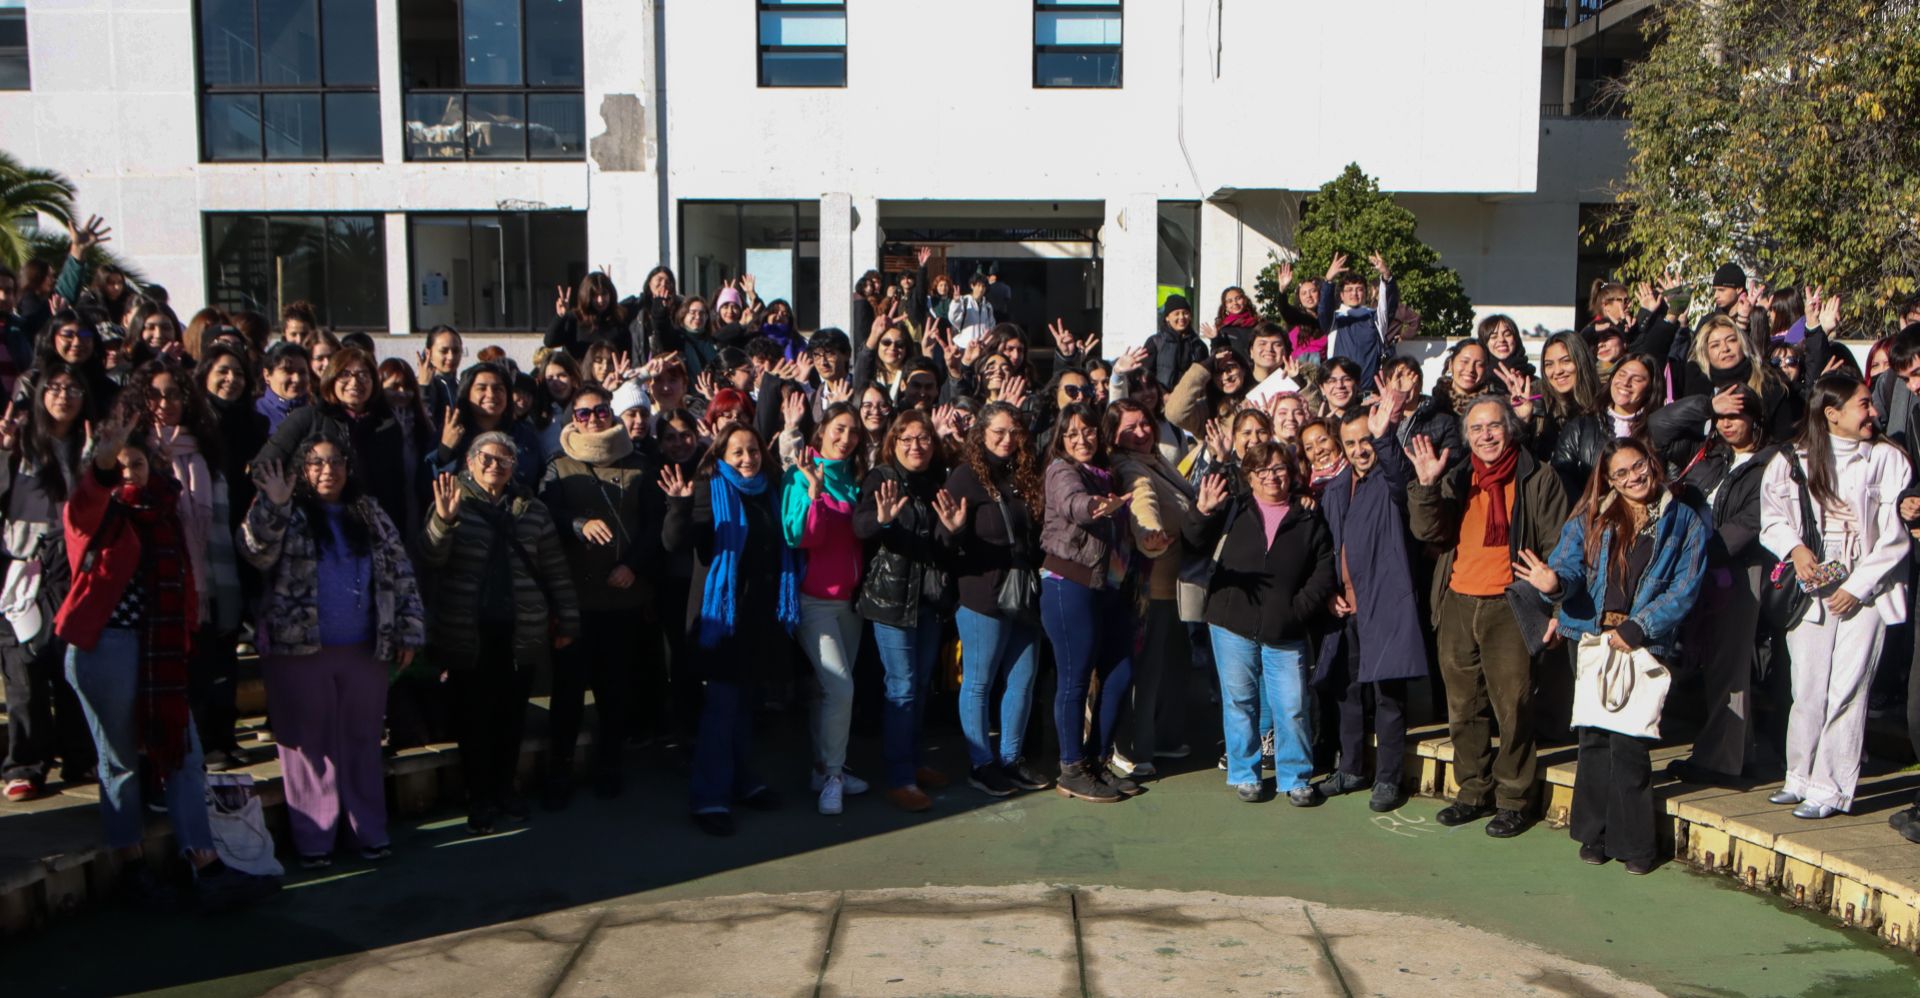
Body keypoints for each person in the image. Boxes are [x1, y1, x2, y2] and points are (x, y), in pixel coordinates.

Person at [56, 420, 278, 909]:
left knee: (184, 754)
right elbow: (83, 504)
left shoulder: (165, 513)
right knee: (120, 763)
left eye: (136, 464)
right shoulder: (95, 515)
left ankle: (205, 862)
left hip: (160, 654)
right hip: (106, 648)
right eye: (120, 467)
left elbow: (184, 586)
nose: (128, 474)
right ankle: (131, 866)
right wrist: (102, 464)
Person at [1518, 437, 1707, 873]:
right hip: (1590, 637)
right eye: (1620, 473)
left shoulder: (1684, 521)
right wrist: (1554, 585)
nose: (1633, 477)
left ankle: (1636, 845)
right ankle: (1595, 834)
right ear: (1609, 480)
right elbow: (1569, 566)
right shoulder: (1591, 516)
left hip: (1641, 640)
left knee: (1630, 743)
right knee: (1594, 739)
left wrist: (1641, 626)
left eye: (1638, 466)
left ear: (1652, 463)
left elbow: (1685, 587)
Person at [240, 439, 425, 866]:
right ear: (302, 470)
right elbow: (255, 552)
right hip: (297, 650)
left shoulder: (370, 512)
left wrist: (409, 631)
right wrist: (275, 504)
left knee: (363, 739)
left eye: (336, 461)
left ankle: (368, 831)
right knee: (307, 747)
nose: (328, 470)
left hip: (364, 648)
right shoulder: (284, 508)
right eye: (316, 463)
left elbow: (401, 571)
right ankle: (314, 840)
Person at [1408, 396, 1571, 837]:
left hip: (1511, 605)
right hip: (1458, 601)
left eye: (1494, 426)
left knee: (1513, 706)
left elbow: (1560, 546)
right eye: (1476, 428)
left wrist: (1558, 605)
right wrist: (1426, 486)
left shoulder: (1538, 477)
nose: (1485, 436)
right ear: (1467, 436)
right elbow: (1428, 530)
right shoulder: (1459, 476)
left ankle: (1514, 799)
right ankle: (1473, 791)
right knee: (1463, 707)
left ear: (1510, 429)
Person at [1760, 373, 1911, 818]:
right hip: (1812, 585)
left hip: (1868, 588)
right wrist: (1795, 548)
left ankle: (1831, 789)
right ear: (1832, 413)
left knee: (1848, 688)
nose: (1874, 413)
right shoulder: (1793, 459)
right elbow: (1772, 515)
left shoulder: (1887, 459)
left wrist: (1857, 587)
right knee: (1807, 686)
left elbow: (1895, 537)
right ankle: (1799, 775)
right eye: (1864, 404)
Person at [423, 432, 580, 834]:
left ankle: (505, 790)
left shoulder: (532, 509)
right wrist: (443, 521)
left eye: (504, 460)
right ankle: (479, 797)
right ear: (471, 461)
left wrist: (568, 618)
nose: (495, 466)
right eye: (487, 458)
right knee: (473, 719)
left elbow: (555, 569)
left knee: (511, 717)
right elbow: (430, 558)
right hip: (468, 631)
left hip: (519, 629)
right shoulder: (453, 499)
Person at [660, 422, 802, 837]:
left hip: (760, 617)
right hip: (722, 618)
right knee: (721, 710)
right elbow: (675, 543)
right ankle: (709, 797)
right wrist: (678, 506)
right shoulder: (709, 489)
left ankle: (742, 781)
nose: (746, 459)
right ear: (721, 456)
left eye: (752, 450)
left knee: (745, 707)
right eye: (737, 452)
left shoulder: (769, 491)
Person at [1184, 442, 1336, 804]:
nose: (1272, 476)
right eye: (1262, 470)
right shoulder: (1233, 507)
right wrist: (1202, 511)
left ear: (1292, 474)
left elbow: (1323, 569)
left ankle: (1295, 777)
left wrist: (1297, 610)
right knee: (1239, 702)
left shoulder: (1308, 516)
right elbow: (1193, 540)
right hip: (1230, 623)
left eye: (1279, 468)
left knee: (1293, 706)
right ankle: (1244, 773)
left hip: (1286, 628)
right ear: (1250, 477)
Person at [116, 362, 248, 770]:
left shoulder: (206, 448)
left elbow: (223, 520)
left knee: (216, 663)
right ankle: (188, 747)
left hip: (213, 573)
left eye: (173, 394)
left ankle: (219, 739)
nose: (165, 403)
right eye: (155, 395)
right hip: (163, 582)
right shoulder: (136, 454)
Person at [538, 383, 657, 809]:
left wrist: (633, 566)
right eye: (583, 413)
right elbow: (544, 513)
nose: (593, 419)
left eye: (600, 410)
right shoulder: (559, 465)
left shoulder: (639, 464)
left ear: (613, 413)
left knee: (614, 689)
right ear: (573, 419)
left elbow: (653, 526)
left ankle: (610, 765)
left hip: (622, 596)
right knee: (568, 691)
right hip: (574, 599)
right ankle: (560, 770)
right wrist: (578, 524)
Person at [1315, 387, 1427, 813]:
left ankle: (1387, 778)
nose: (1360, 450)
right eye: (1351, 443)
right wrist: (1330, 592)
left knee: (1387, 696)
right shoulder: (1335, 489)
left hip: (1386, 605)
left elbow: (1402, 475)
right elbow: (1326, 549)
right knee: (1347, 692)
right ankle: (1351, 768)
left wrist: (1385, 437)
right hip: (1345, 609)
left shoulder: (1391, 481)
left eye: (1365, 440)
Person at [940, 401, 1050, 797]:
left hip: (1023, 594)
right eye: (998, 432)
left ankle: (1011, 758)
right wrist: (953, 530)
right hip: (982, 595)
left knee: (1023, 679)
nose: (1007, 440)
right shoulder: (965, 477)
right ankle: (981, 764)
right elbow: (943, 540)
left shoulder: (1024, 473)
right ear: (981, 434)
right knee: (980, 682)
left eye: (1013, 432)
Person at [853, 410, 961, 812]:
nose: (917, 446)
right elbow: (860, 526)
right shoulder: (881, 478)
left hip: (928, 601)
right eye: (908, 439)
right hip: (892, 601)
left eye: (924, 439)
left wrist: (952, 530)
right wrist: (881, 521)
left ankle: (914, 762)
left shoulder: (935, 482)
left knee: (919, 686)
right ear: (894, 443)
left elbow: (941, 546)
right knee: (901, 686)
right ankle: (900, 777)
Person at [1669, 387, 1775, 785]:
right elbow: (1660, 428)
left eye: (1736, 416)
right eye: (1721, 417)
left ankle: (1720, 762)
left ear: (1756, 419)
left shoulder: (1773, 463)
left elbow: (1750, 523)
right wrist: (1704, 405)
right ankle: (1736, 754)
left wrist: (1695, 554)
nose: (1727, 424)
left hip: (1741, 570)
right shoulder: (1712, 456)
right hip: (1701, 568)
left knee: (1728, 666)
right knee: (1718, 663)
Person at [0, 366, 95, 801]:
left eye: (73, 388)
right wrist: (3, 449)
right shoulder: (19, 441)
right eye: (54, 388)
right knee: (24, 671)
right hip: (23, 568)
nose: (63, 396)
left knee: (73, 667)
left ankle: (79, 755)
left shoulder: (89, 444)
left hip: (74, 566)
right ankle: (25, 765)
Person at [1039, 402, 1138, 803]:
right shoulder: (1062, 471)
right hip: (1068, 583)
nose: (1082, 439)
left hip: (1106, 585)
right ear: (1061, 439)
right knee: (1075, 677)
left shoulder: (1107, 473)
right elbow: (1072, 503)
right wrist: (1093, 507)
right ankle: (1071, 767)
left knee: (1121, 670)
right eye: (1072, 433)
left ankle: (1096, 759)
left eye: (1089, 431)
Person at [780, 401, 873, 815]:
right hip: (814, 601)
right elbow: (798, 537)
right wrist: (814, 493)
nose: (846, 438)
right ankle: (834, 775)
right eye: (839, 428)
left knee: (827, 693)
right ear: (822, 430)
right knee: (840, 688)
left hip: (849, 603)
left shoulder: (854, 478)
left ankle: (822, 768)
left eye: (853, 431)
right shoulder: (799, 473)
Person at [1109, 397, 1198, 776]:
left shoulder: (1156, 459)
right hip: (1148, 586)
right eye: (1129, 427)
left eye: (1145, 423)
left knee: (1173, 667)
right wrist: (1150, 535)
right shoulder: (1129, 467)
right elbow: (1141, 501)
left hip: (1174, 585)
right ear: (1113, 434)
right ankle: (1132, 748)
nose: (1141, 432)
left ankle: (1165, 739)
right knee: (1146, 673)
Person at [257, 347, 419, 546]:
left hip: (369, 533)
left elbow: (395, 492)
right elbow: (263, 467)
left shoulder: (387, 426)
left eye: (363, 375)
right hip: (312, 530)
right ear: (331, 378)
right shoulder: (308, 419)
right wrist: (292, 498)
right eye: (345, 374)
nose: (354, 382)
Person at [430, 361, 544, 489]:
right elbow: (429, 482)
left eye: (498, 389)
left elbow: (538, 480)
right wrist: (445, 450)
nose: (491, 395)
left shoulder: (525, 435)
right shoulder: (450, 433)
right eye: (481, 388)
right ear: (467, 393)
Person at [1317, 252, 1396, 386]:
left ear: (1366, 293)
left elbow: (1389, 304)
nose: (1354, 293)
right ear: (1341, 295)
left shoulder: (1375, 318)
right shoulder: (1334, 320)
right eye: (1349, 290)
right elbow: (1323, 310)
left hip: (1369, 392)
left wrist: (1386, 275)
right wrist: (1328, 281)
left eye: (1359, 289)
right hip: (1340, 390)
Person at [1142, 295, 1208, 392]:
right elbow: (1145, 374)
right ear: (1167, 318)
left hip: (1191, 397)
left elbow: (1205, 375)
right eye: (1176, 313)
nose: (1181, 317)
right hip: (1163, 397)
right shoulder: (1155, 342)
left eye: (1185, 313)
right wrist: (1162, 394)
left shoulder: (1198, 345)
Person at [256, 340, 311, 434]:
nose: (296, 379)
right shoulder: (255, 413)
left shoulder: (318, 414)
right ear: (267, 375)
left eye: (302, 372)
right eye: (288, 371)